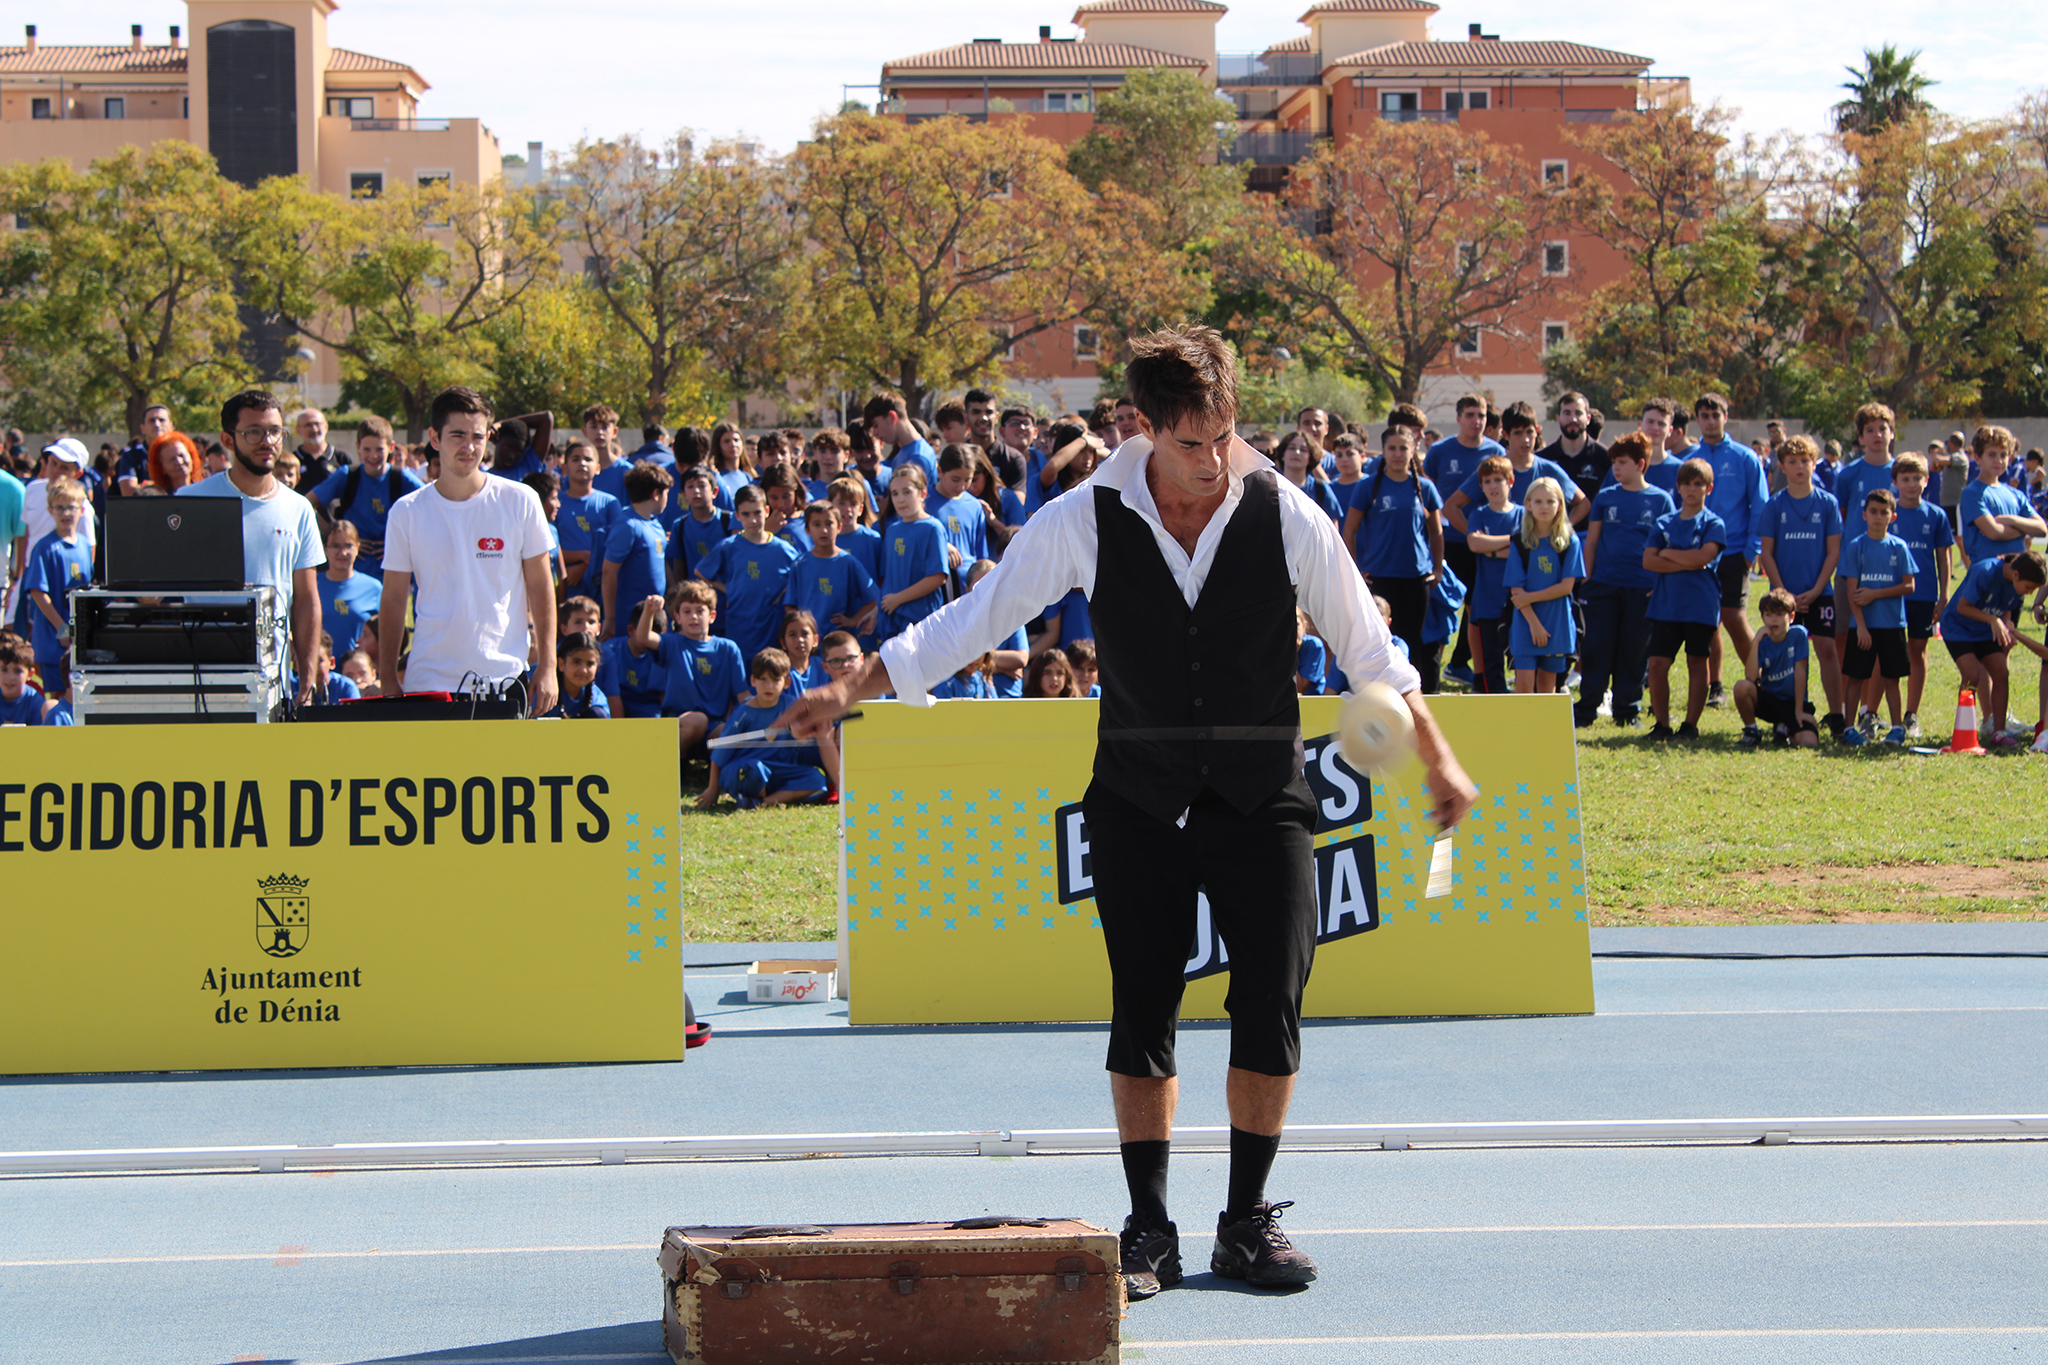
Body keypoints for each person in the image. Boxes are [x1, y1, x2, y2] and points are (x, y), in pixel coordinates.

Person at [783, 323, 1474, 1300]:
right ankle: (1148, 1228)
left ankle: (1244, 1221)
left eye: (1222, 438)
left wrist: (1439, 762)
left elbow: (1373, 655)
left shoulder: (1285, 513)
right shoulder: (1081, 517)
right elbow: (974, 620)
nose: (1209, 463)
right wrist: (853, 691)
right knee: (1141, 1011)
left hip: (1261, 794)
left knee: (1269, 1006)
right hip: (1137, 797)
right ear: (1141, 429)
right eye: (1188, 445)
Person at [376, 386, 557, 714]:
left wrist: (548, 666)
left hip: (503, 679)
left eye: (477, 436)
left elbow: (542, 587)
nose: (469, 446)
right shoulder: (407, 511)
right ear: (434, 438)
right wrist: (387, 675)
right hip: (429, 682)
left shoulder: (520, 500)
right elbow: (392, 599)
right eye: (457, 435)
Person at [176, 394, 323, 704]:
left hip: (273, 683)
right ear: (227, 439)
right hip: (202, 682)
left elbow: (307, 600)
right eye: (253, 431)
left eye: (275, 431)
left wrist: (306, 684)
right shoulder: (191, 500)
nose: (266, 441)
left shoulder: (299, 508)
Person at [1576, 434, 1671, 726]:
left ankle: (1627, 709)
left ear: (1641, 464)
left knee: (1634, 650)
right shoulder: (1605, 497)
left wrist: (1658, 584)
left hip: (1642, 586)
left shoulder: (1660, 500)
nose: (1616, 468)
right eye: (1614, 462)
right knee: (1596, 646)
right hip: (1603, 584)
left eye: (1622, 463)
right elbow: (1591, 541)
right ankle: (1587, 707)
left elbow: (1666, 547)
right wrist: (1587, 578)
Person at [1344, 426, 1445, 691]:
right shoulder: (1368, 487)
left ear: (1413, 451)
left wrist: (1438, 567)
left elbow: (1436, 532)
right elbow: (1350, 530)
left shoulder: (1425, 487)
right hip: (1380, 577)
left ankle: (1416, 698)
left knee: (1413, 641)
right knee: (1382, 641)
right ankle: (1381, 696)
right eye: (1392, 448)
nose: (1398, 454)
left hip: (1417, 578)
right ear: (1384, 451)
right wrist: (1356, 571)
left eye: (1403, 448)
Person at [1757, 436, 1845, 736]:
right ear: (1781, 466)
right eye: (1792, 462)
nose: (1799, 467)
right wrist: (1784, 595)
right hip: (1783, 597)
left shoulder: (1828, 503)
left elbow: (1834, 550)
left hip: (1818, 593)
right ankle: (1785, 713)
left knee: (1826, 649)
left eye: (1805, 461)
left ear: (1814, 463)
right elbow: (1766, 552)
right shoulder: (1774, 505)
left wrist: (1818, 589)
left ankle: (1837, 715)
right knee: (1783, 654)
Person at [1691, 393, 1767, 710]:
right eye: (1704, 415)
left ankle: (1764, 679)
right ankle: (1716, 686)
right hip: (1699, 553)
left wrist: (1752, 549)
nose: (1710, 420)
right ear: (1698, 419)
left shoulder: (1744, 457)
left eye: (1715, 414)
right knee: (1709, 622)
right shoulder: (1692, 457)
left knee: (1734, 618)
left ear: (1726, 416)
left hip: (1735, 550)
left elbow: (1760, 504)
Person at [1642, 458, 1726, 741]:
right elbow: (1648, 561)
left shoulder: (1714, 523)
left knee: (1696, 662)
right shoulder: (1664, 522)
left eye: (1698, 484)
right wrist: (1687, 561)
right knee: (1657, 664)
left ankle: (1690, 725)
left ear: (1709, 488)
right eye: (1687, 483)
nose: (1692, 489)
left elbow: (1704, 557)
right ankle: (1662, 725)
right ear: (1678, 487)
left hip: (1700, 605)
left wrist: (1667, 553)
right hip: (1667, 604)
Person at [703, 648, 837, 809]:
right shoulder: (744, 713)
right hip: (745, 769)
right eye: (763, 680)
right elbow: (720, 753)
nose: (769, 686)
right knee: (754, 770)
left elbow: (810, 724)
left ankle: (762, 803)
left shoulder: (791, 706)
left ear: (787, 682)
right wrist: (712, 788)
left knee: (816, 778)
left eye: (775, 680)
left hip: (777, 771)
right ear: (753, 681)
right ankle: (757, 796)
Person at [1940, 550, 2048, 748]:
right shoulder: (1985, 570)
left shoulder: (2016, 585)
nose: (2030, 592)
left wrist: (2007, 623)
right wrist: (1993, 620)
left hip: (1986, 631)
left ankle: (1998, 731)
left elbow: (2007, 607)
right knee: (1972, 675)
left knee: (2001, 672)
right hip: (1959, 628)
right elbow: (1962, 607)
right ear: (2016, 575)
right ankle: (1965, 728)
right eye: (2029, 587)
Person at [638, 580, 748, 770]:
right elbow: (643, 638)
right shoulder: (672, 643)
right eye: (687, 611)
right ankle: (671, 768)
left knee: (729, 733)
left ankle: (712, 770)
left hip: (714, 726)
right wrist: (649, 610)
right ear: (677, 617)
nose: (694, 617)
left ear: (712, 616)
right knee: (697, 721)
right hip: (680, 723)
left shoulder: (728, 649)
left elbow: (743, 696)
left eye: (700, 611)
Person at [1836, 488, 1916, 745]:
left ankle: (1896, 728)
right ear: (1864, 515)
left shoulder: (1899, 547)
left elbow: (1909, 585)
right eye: (1873, 512)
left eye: (1884, 512)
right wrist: (1860, 626)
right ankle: (1849, 729)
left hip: (1892, 624)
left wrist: (1876, 594)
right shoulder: (1856, 547)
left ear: (1893, 516)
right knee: (1856, 677)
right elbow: (1852, 591)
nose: (1878, 517)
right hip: (1863, 627)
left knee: (1892, 678)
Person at [696, 484, 802, 667]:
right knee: (740, 672)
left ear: (767, 511)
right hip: (739, 621)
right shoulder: (729, 546)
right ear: (737, 516)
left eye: (757, 513)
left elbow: (801, 576)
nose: (753, 520)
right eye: (746, 514)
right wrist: (727, 589)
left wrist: (781, 594)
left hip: (770, 624)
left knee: (770, 670)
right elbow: (701, 571)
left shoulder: (783, 549)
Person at [307, 417, 422, 580]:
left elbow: (433, 506)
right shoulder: (347, 475)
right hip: (353, 569)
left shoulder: (402, 478)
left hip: (392, 569)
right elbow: (306, 504)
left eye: (379, 449)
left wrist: (405, 543)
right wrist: (334, 534)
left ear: (391, 447)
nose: (373, 456)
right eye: (367, 449)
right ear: (358, 447)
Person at [1890, 453, 1954, 738]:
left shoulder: (1936, 515)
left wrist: (1944, 595)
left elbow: (1944, 557)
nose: (1912, 484)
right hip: (1890, 594)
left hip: (1924, 594)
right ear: (1895, 482)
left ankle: (1911, 714)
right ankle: (1875, 713)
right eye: (1906, 479)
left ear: (1927, 480)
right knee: (1887, 652)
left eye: (1918, 478)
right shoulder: (1887, 513)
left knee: (1917, 650)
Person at [1503, 478, 1582, 694]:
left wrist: (1530, 597)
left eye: (1550, 501)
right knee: (1524, 685)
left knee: (1548, 686)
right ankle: (1522, 728)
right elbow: (1516, 591)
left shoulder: (1569, 542)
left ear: (1560, 505)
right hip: (1526, 623)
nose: (1544, 507)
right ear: (1528, 504)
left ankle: (1544, 728)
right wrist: (1534, 624)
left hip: (1556, 623)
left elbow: (1566, 587)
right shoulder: (1520, 542)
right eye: (1538, 501)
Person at [22, 476, 94, 702]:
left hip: (80, 639)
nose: (65, 513)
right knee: (61, 696)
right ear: (50, 510)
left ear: (81, 510)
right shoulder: (45, 547)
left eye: (70, 507)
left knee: (84, 697)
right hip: (55, 639)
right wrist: (61, 627)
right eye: (59, 507)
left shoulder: (84, 544)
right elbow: (37, 592)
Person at [1461, 456, 1524, 696]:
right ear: (1481, 486)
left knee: (1521, 657)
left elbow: (1528, 548)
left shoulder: (1523, 515)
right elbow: (1475, 543)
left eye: (1498, 480)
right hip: (1487, 598)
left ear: (1510, 481)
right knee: (1491, 661)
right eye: (1487, 481)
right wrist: (1512, 542)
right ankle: (1493, 702)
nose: (1493, 486)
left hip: (1519, 598)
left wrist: (1493, 550)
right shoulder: (1479, 514)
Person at [786, 500, 878, 644]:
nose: (824, 530)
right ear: (807, 530)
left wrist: (853, 621)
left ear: (839, 527)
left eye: (829, 524)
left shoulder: (848, 562)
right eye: (817, 524)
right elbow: (789, 605)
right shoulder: (800, 564)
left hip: (839, 642)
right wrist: (802, 630)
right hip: (810, 644)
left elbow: (873, 598)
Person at [1735, 589, 1819, 748]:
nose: (1774, 620)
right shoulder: (1762, 641)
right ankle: (1751, 731)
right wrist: (1756, 641)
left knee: (1809, 742)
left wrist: (1799, 711)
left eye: (1780, 615)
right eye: (1769, 614)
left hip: (1793, 703)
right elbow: (1751, 678)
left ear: (1791, 617)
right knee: (1741, 687)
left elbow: (1801, 673)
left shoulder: (1798, 635)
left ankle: (1785, 728)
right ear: (1762, 617)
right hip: (1770, 700)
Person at [602, 464, 673, 639]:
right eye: (666, 493)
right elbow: (608, 572)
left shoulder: (655, 523)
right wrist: (610, 618)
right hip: (630, 617)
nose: (667, 499)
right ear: (656, 494)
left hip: (656, 613)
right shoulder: (627, 525)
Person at [877, 466, 948, 640]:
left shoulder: (932, 527)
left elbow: (938, 577)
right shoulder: (892, 530)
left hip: (920, 619)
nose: (900, 499)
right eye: (895, 493)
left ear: (923, 493)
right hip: (893, 619)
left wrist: (898, 599)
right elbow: (887, 578)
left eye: (906, 492)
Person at [1959, 426, 2043, 567]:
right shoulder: (1972, 493)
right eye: (1992, 455)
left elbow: (2041, 528)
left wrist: (2012, 520)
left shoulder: (2016, 494)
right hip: (1988, 574)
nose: (1998, 460)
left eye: (2003, 455)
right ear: (1978, 458)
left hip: (2017, 577)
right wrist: (2024, 530)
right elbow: (1995, 532)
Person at [552, 439, 621, 594]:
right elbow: (549, 548)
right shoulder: (555, 503)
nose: (582, 463)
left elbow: (616, 545)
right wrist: (583, 555)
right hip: (565, 585)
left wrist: (585, 566)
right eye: (575, 459)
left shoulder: (609, 503)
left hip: (600, 586)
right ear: (565, 468)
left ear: (597, 468)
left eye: (588, 459)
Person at [315, 521, 383, 661]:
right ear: (325, 549)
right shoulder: (312, 586)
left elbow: (386, 636)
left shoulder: (373, 588)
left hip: (359, 673)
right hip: (320, 670)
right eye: (335, 546)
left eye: (348, 545)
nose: (343, 553)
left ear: (358, 548)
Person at [1541, 391, 1608, 507]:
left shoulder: (1605, 458)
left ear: (1588, 419)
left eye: (1578, 413)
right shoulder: (1543, 459)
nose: (1573, 419)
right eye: (1567, 413)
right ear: (1558, 418)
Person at [1274, 431, 1341, 521]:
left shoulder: (1320, 489)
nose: (1297, 452)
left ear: (1310, 457)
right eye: (1292, 448)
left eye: (1303, 449)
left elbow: (1333, 527)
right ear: (1282, 455)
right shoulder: (1271, 486)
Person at [545, 631, 611, 719]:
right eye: (576, 662)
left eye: (590, 664)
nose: (583, 670)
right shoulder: (545, 693)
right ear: (561, 664)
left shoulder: (597, 699)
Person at [117, 404, 175, 496]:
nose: (157, 424)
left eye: (161, 420)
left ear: (171, 426)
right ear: (143, 428)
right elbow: (129, 492)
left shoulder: (181, 453)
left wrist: (148, 485)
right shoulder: (131, 455)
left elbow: (188, 486)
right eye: (152, 421)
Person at [0, 636, 54, 725]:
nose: (10, 677)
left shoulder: (35, 702)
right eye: (4, 670)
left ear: (30, 674)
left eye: (17, 671)